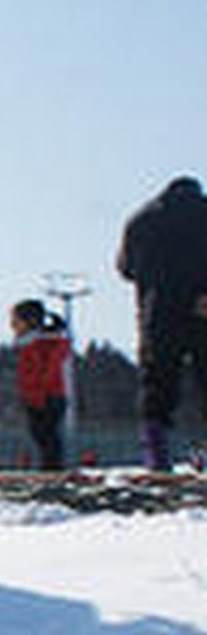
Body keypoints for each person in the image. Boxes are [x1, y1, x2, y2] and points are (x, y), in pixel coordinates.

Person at [116, 176, 207, 471]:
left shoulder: (141, 219)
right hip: (203, 307)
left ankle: (157, 454)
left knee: (157, 383)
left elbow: (125, 268)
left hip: (158, 311)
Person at [10, 299, 72, 472]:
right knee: (41, 436)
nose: (12, 325)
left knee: (47, 436)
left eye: (16, 320)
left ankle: (52, 470)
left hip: (47, 397)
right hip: (37, 396)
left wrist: (37, 397)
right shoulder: (30, 343)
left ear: (29, 322)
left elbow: (45, 373)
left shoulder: (42, 343)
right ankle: (50, 468)